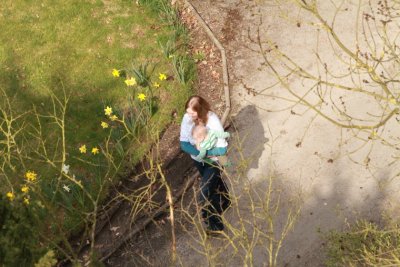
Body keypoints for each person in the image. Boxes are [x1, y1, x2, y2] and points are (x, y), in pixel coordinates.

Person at [180, 95, 231, 235]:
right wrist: (198, 153)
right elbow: (184, 144)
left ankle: (215, 227)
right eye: (187, 111)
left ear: (201, 110)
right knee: (213, 183)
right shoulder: (187, 118)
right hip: (198, 160)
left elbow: (223, 149)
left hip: (215, 160)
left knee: (205, 192)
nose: (189, 115)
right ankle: (225, 201)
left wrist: (206, 153)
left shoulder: (213, 121)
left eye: (192, 112)